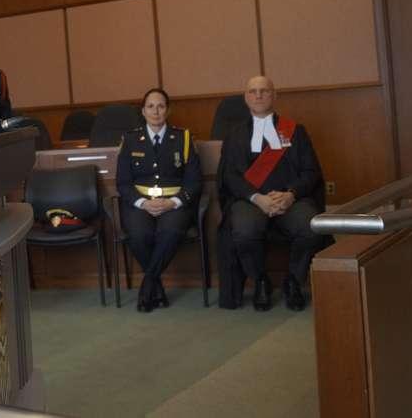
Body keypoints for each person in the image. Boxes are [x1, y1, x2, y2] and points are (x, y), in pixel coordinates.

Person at [219, 76, 330, 312]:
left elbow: (311, 171)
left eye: (264, 91)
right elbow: (229, 176)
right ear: (246, 98)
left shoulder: (296, 131)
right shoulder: (234, 134)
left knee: (311, 227)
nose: (258, 95)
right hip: (251, 201)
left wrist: (290, 194)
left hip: (291, 200)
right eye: (253, 91)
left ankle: (293, 281)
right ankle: (260, 280)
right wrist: (257, 198)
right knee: (244, 231)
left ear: (274, 96)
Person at [115, 88, 201, 312]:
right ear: (143, 111)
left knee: (171, 232)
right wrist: (143, 203)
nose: (156, 111)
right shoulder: (130, 140)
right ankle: (156, 285)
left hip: (173, 203)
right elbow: (123, 183)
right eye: (151, 106)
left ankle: (148, 284)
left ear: (168, 110)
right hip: (140, 203)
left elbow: (194, 181)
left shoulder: (183, 138)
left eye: (161, 106)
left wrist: (174, 202)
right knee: (138, 235)